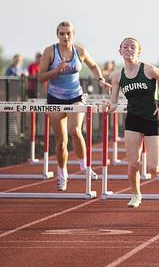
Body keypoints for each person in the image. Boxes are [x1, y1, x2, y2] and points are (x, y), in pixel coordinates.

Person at [103, 37, 159, 208]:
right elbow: (114, 103)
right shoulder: (117, 76)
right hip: (133, 119)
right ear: (120, 50)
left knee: (154, 169)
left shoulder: (149, 70)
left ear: (139, 51)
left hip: (152, 118)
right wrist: (108, 105)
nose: (129, 49)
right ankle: (136, 194)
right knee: (133, 163)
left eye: (132, 47)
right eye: (125, 47)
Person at [37, 21, 110, 191]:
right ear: (57, 35)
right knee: (61, 142)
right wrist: (56, 70)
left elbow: (93, 65)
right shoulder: (49, 51)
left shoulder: (80, 51)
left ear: (73, 34)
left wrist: (100, 79)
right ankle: (62, 175)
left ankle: (85, 167)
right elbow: (40, 77)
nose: (65, 36)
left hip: (75, 96)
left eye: (68, 33)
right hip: (55, 98)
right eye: (62, 33)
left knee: (75, 131)